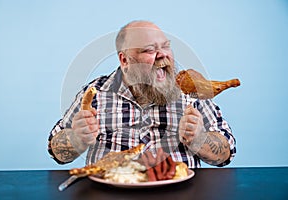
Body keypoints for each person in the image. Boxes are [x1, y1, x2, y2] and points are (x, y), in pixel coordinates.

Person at [48, 20, 236, 168]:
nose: (163, 55)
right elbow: (56, 151)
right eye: (149, 50)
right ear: (125, 60)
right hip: (109, 192)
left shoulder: (190, 93)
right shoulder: (96, 94)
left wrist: (199, 140)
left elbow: (226, 152)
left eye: (166, 46)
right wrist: (76, 138)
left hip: (178, 192)